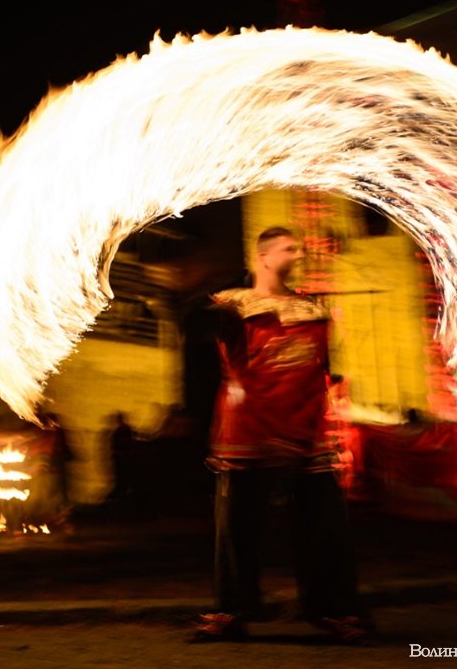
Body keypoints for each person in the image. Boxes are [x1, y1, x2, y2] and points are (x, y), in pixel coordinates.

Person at [193, 226, 372, 643]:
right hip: (248, 435)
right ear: (264, 257)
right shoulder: (231, 307)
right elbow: (199, 325)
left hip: (307, 434)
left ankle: (335, 612)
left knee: (325, 529)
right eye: (290, 249)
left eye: (301, 248)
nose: (300, 254)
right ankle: (231, 611)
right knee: (238, 531)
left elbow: (326, 368)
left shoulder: (314, 310)